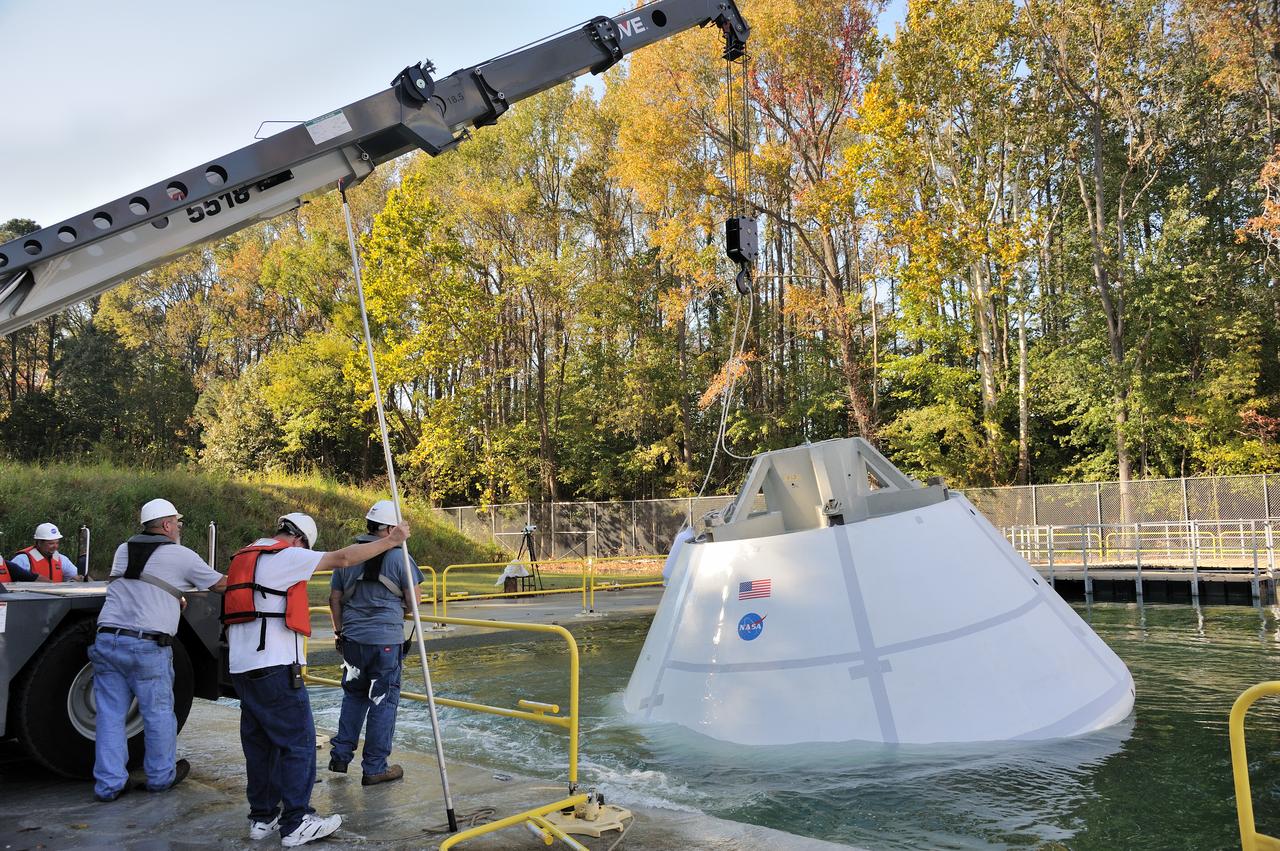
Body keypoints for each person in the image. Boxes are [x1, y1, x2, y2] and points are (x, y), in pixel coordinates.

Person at [224, 511, 410, 848]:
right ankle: (297, 821)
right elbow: (341, 558)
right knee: (298, 743)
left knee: (260, 745)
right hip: (276, 665)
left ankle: (263, 818)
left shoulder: (247, 553)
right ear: (300, 540)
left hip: (241, 666)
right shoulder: (287, 554)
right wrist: (392, 541)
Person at [90, 498, 226, 802]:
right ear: (166, 525)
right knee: (159, 714)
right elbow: (221, 585)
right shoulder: (180, 555)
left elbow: (137, 585)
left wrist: (170, 598)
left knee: (110, 716)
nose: (178, 527)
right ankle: (161, 778)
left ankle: (109, 785)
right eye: (176, 522)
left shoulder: (123, 550)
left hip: (108, 640)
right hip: (146, 646)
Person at [327, 500, 424, 785]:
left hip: (353, 640)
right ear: (391, 529)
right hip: (385, 643)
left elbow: (334, 598)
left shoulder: (350, 555)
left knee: (354, 695)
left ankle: (341, 756)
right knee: (383, 701)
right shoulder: (399, 557)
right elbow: (414, 601)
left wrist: (338, 632)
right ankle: (375, 768)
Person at [9, 522, 78, 582]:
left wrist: (81, 578)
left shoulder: (61, 559)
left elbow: (75, 576)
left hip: (57, 596)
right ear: (39, 543)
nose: (55, 546)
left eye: (57, 543)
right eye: (51, 543)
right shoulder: (23, 559)